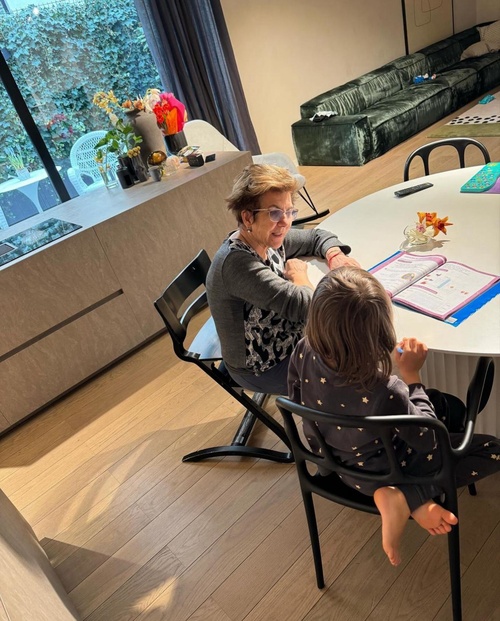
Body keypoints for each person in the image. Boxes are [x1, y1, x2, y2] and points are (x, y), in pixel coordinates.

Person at [288, 266, 500, 566]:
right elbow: (428, 441)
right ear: (381, 332)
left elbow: (296, 395)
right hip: (390, 471)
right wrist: (411, 375)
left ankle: (401, 498)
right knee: (492, 448)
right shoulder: (386, 390)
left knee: (442, 403)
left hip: (335, 462)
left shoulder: (303, 349)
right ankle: (412, 496)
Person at [206, 163, 360, 395]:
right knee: (354, 358)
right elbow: (306, 307)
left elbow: (316, 236)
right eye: (275, 213)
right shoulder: (238, 264)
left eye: (290, 211)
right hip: (262, 366)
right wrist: (299, 276)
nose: (286, 222)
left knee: (353, 340)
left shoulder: (266, 238)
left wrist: (334, 254)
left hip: (288, 338)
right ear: (247, 217)